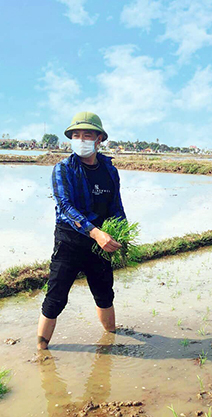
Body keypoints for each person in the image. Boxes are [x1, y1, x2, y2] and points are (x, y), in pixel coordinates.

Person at [37, 111, 125, 350]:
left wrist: (122, 234)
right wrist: (95, 232)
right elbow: (65, 207)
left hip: (100, 245)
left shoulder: (110, 171)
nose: (81, 139)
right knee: (55, 298)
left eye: (88, 135)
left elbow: (116, 206)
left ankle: (112, 340)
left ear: (99, 140)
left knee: (105, 294)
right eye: (76, 135)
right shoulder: (63, 169)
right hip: (70, 242)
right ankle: (41, 351)